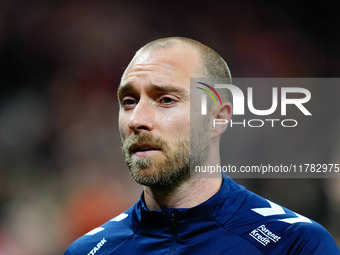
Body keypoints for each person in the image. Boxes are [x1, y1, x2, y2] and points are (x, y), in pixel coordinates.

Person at [64, 37, 340, 254]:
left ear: (218, 118)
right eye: (129, 101)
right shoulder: (88, 251)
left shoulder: (295, 243)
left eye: (166, 100)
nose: (137, 119)